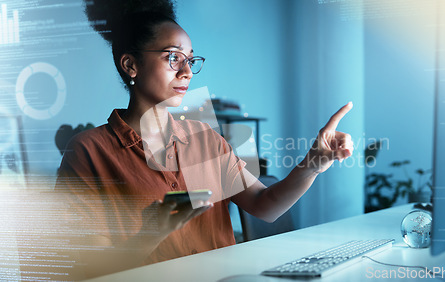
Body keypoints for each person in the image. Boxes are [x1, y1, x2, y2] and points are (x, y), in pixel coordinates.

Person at [57, 0, 354, 278]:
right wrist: (153, 231)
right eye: (173, 58)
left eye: (190, 60)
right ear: (131, 65)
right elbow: (88, 268)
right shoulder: (88, 152)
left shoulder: (205, 138)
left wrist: (312, 164)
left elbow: (266, 205)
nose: (187, 72)